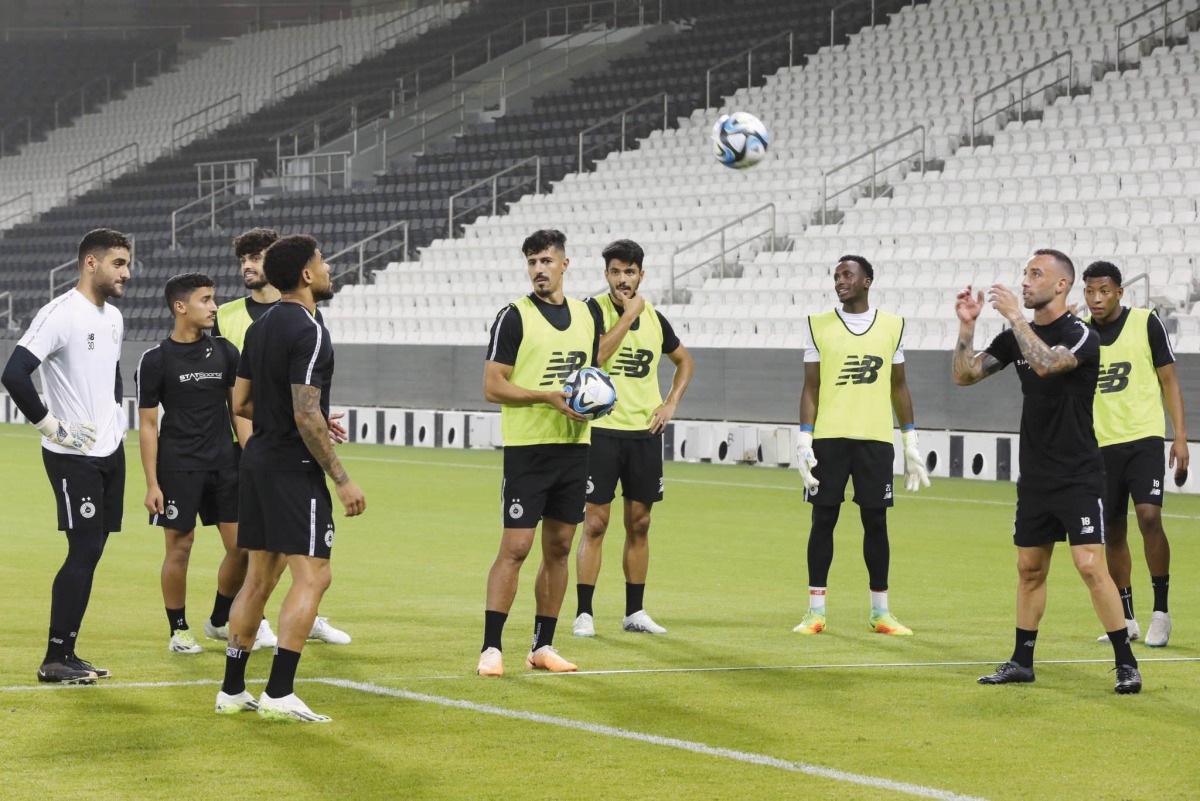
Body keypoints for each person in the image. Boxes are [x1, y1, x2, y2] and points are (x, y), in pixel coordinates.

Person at [953, 248, 1141, 694]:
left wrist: (1017, 319)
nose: (1025, 281)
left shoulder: (1079, 334)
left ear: (1061, 285)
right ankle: (1022, 661)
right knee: (1029, 568)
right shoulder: (1016, 332)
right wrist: (967, 324)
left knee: (1090, 565)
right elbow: (965, 375)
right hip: (1036, 474)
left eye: (1035, 274)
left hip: (1078, 471)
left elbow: (1046, 364)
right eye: (1024, 273)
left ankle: (1126, 662)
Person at [215, 234, 365, 721]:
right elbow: (305, 415)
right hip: (292, 468)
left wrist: (303, 414)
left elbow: (240, 404)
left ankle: (233, 690)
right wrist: (341, 479)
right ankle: (280, 692)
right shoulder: (310, 329)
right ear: (305, 274)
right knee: (315, 575)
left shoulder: (258, 329)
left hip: (255, 461)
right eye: (322, 263)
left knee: (258, 579)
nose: (327, 270)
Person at [1, 228, 131, 684]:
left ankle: (69, 654)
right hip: (71, 455)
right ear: (90, 263)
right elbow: (14, 374)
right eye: (118, 263)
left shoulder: (114, 317)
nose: (126, 273)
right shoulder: (58, 313)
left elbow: (112, 371)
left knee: (92, 551)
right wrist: (52, 426)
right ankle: (54, 657)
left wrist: (115, 419)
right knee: (84, 548)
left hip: (110, 451)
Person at [477, 229, 599, 677]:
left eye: (546, 261)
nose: (538, 270)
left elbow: (589, 375)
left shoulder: (588, 315)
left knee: (561, 548)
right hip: (527, 449)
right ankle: (491, 648)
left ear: (564, 264)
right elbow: (493, 386)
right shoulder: (513, 316)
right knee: (516, 547)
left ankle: (542, 646)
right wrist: (546, 397)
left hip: (574, 447)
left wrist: (595, 401)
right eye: (531, 263)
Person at [793, 255, 929, 637]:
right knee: (823, 521)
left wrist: (910, 439)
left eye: (847, 275)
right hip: (829, 439)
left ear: (867, 281)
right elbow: (811, 387)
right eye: (836, 276)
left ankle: (880, 613)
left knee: (876, 522)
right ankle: (815, 612)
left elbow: (898, 386)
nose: (840, 281)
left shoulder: (893, 326)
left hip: (875, 440)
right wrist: (805, 437)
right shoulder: (817, 325)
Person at [572, 239, 693, 638]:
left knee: (639, 523)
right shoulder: (592, 310)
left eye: (630, 272)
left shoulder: (657, 319)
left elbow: (684, 362)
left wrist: (670, 403)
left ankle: (634, 612)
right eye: (616, 271)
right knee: (595, 523)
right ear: (606, 274)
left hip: (644, 434)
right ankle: (584, 613)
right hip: (601, 432)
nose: (623, 279)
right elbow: (595, 357)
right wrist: (627, 316)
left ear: (642, 274)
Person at [136, 273, 251, 655]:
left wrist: (250, 457)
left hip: (225, 465)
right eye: (206, 300)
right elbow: (149, 425)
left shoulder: (226, 352)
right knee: (180, 548)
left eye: (214, 299)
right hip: (178, 467)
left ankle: (219, 620)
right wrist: (152, 483)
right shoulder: (155, 360)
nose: (214, 307)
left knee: (243, 549)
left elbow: (240, 411)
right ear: (180, 307)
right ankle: (179, 630)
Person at [1083, 260, 1187, 648]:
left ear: (1119, 292)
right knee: (1112, 530)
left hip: (1144, 439)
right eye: (1090, 291)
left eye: (1104, 290)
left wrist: (1180, 438)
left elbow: (1169, 381)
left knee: (1148, 517)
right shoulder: (1081, 335)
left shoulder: (1146, 322)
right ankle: (1126, 619)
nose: (1096, 298)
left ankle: (1161, 612)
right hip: (1100, 446)